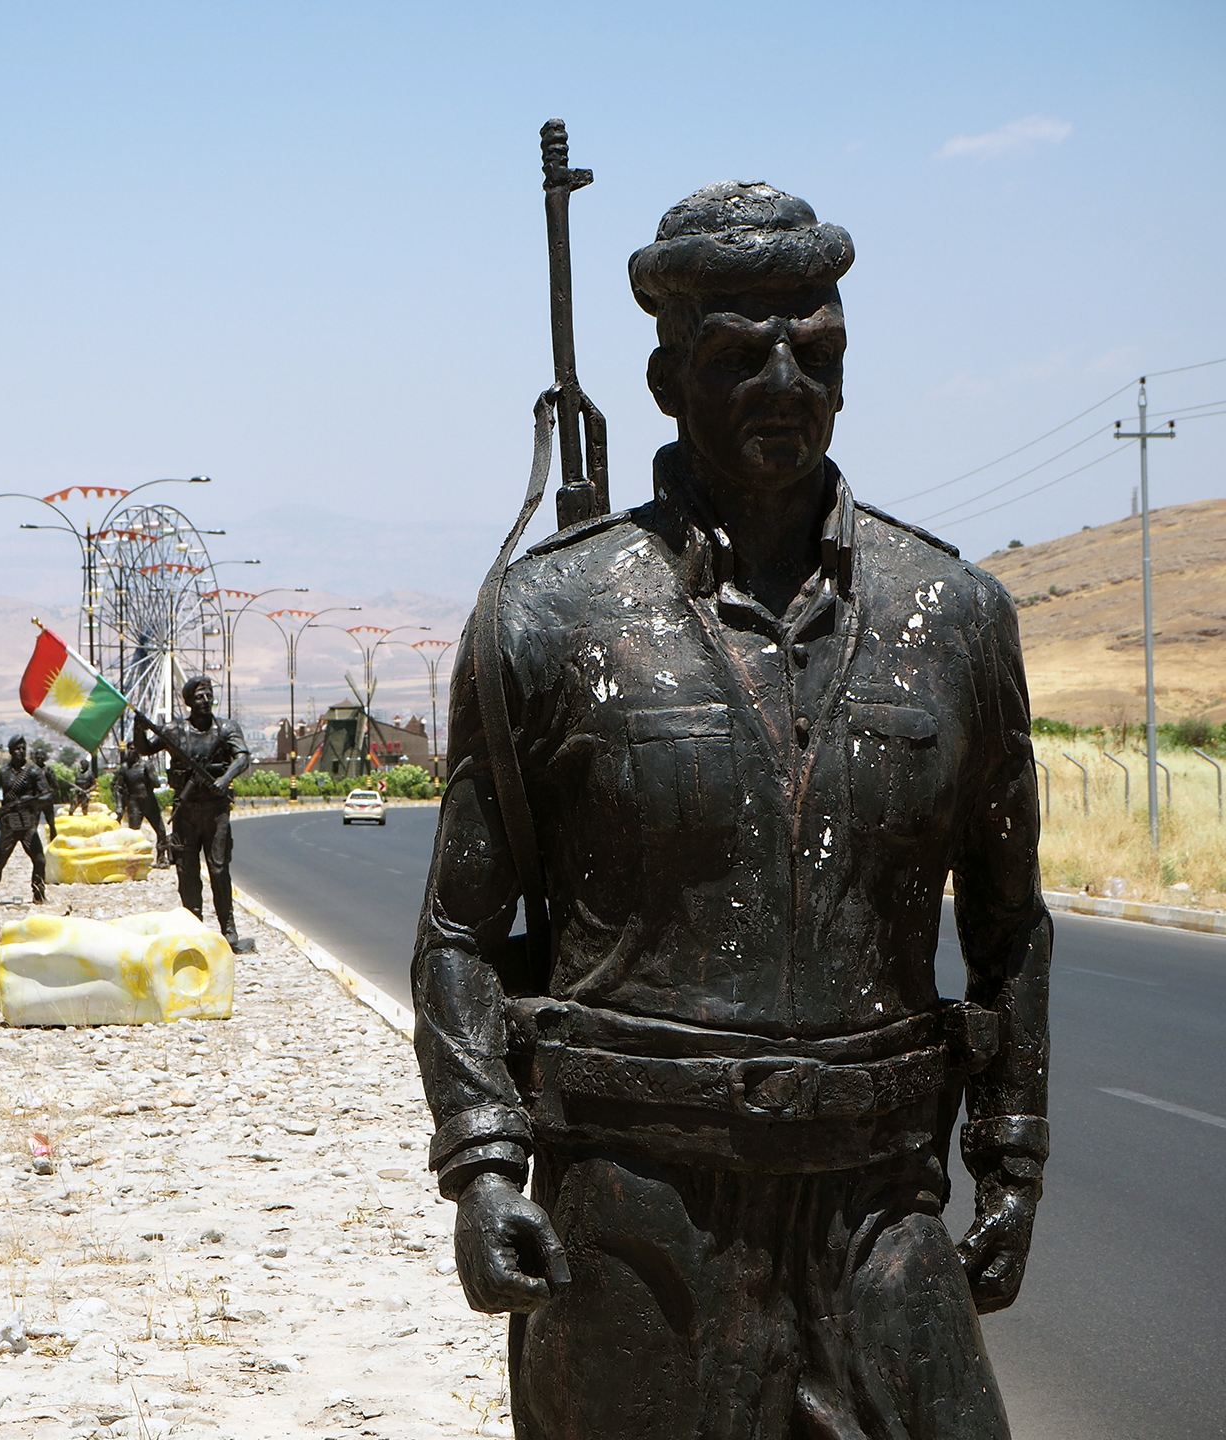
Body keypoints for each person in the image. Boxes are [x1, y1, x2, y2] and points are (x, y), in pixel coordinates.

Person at [414, 182, 1050, 1439]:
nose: (783, 382)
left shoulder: (958, 618)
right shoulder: (547, 619)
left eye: (815, 353)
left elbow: (1010, 926)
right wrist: (483, 1167)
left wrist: (1014, 1159)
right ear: (665, 380)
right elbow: (460, 936)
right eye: (737, 353)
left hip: (881, 1205)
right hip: (640, 1213)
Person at [138, 676, 252, 947]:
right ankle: (193, 925)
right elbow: (145, 749)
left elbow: (243, 756)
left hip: (216, 811)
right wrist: (138, 728)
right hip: (186, 812)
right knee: (186, 871)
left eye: (209, 695)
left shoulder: (226, 728)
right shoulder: (176, 731)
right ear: (188, 701)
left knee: (219, 869)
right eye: (199, 696)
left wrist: (224, 780)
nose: (206, 700)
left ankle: (228, 927)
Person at [0, 735, 52, 904]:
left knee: (39, 859)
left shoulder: (33, 771)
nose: (21, 751)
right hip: (8, 823)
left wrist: (33, 801)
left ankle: (38, 894)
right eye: (17, 748)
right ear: (10, 750)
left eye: (23, 748)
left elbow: (48, 795)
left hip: (28, 823)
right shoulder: (3, 772)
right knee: (0, 860)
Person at [113, 746, 170, 866]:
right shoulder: (124, 768)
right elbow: (118, 788)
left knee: (161, 830)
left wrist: (150, 773)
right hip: (134, 802)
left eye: (133, 748)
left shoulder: (146, 765)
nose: (130, 751)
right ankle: (134, 860)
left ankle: (161, 857)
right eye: (129, 749)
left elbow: (156, 784)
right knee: (133, 834)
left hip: (149, 801)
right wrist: (119, 806)